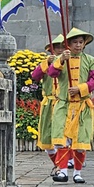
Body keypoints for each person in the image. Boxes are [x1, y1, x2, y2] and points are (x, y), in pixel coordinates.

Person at [48, 27, 94, 184]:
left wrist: (80, 88)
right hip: (63, 104)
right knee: (61, 139)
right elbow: (52, 73)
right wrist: (61, 60)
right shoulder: (61, 59)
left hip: (82, 105)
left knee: (80, 141)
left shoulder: (90, 60)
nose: (78, 45)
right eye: (75, 42)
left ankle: (77, 172)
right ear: (68, 44)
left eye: (81, 42)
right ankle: (63, 171)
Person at [30, 34, 64, 174]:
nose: (60, 50)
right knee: (47, 138)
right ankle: (58, 164)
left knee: (62, 137)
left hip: (63, 102)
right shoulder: (47, 62)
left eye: (63, 47)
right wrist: (46, 63)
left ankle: (66, 165)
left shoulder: (70, 62)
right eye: (57, 47)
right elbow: (35, 76)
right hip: (49, 103)